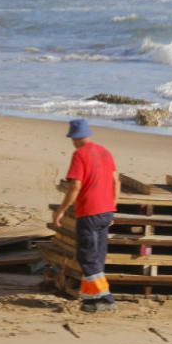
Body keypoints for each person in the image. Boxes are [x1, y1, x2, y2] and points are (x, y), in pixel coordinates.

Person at [52, 119, 120, 313]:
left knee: (87, 257)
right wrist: (112, 206)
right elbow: (116, 181)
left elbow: (75, 186)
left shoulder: (79, 154)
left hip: (89, 212)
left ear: (74, 138)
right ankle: (92, 300)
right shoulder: (105, 152)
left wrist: (62, 209)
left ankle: (106, 298)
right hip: (106, 211)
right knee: (97, 257)